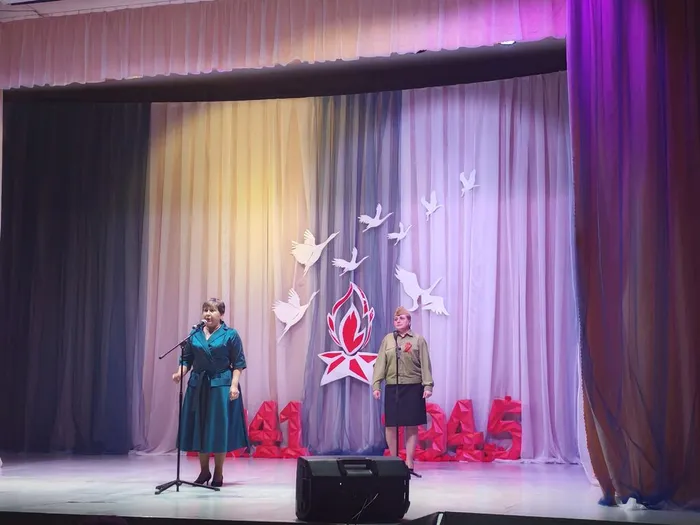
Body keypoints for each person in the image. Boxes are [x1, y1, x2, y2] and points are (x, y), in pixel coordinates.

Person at [172, 298, 249, 487]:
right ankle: (204, 471)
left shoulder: (230, 334)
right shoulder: (195, 334)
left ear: (221, 314)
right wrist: (180, 373)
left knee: (218, 430)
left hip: (221, 385)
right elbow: (186, 360)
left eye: (212, 310)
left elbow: (238, 363)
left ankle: (218, 473)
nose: (208, 314)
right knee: (200, 427)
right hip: (198, 385)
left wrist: (233, 385)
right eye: (205, 310)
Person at [372, 306, 434, 476]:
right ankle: (393, 461)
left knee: (411, 425)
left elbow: (425, 363)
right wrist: (376, 385)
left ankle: (409, 461)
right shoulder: (388, 340)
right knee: (391, 424)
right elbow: (380, 363)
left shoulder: (418, 340)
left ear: (409, 321)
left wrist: (428, 385)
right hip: (393, 386)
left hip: (413, 386)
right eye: (396, 319)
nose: (398, 321)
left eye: (402, 318)